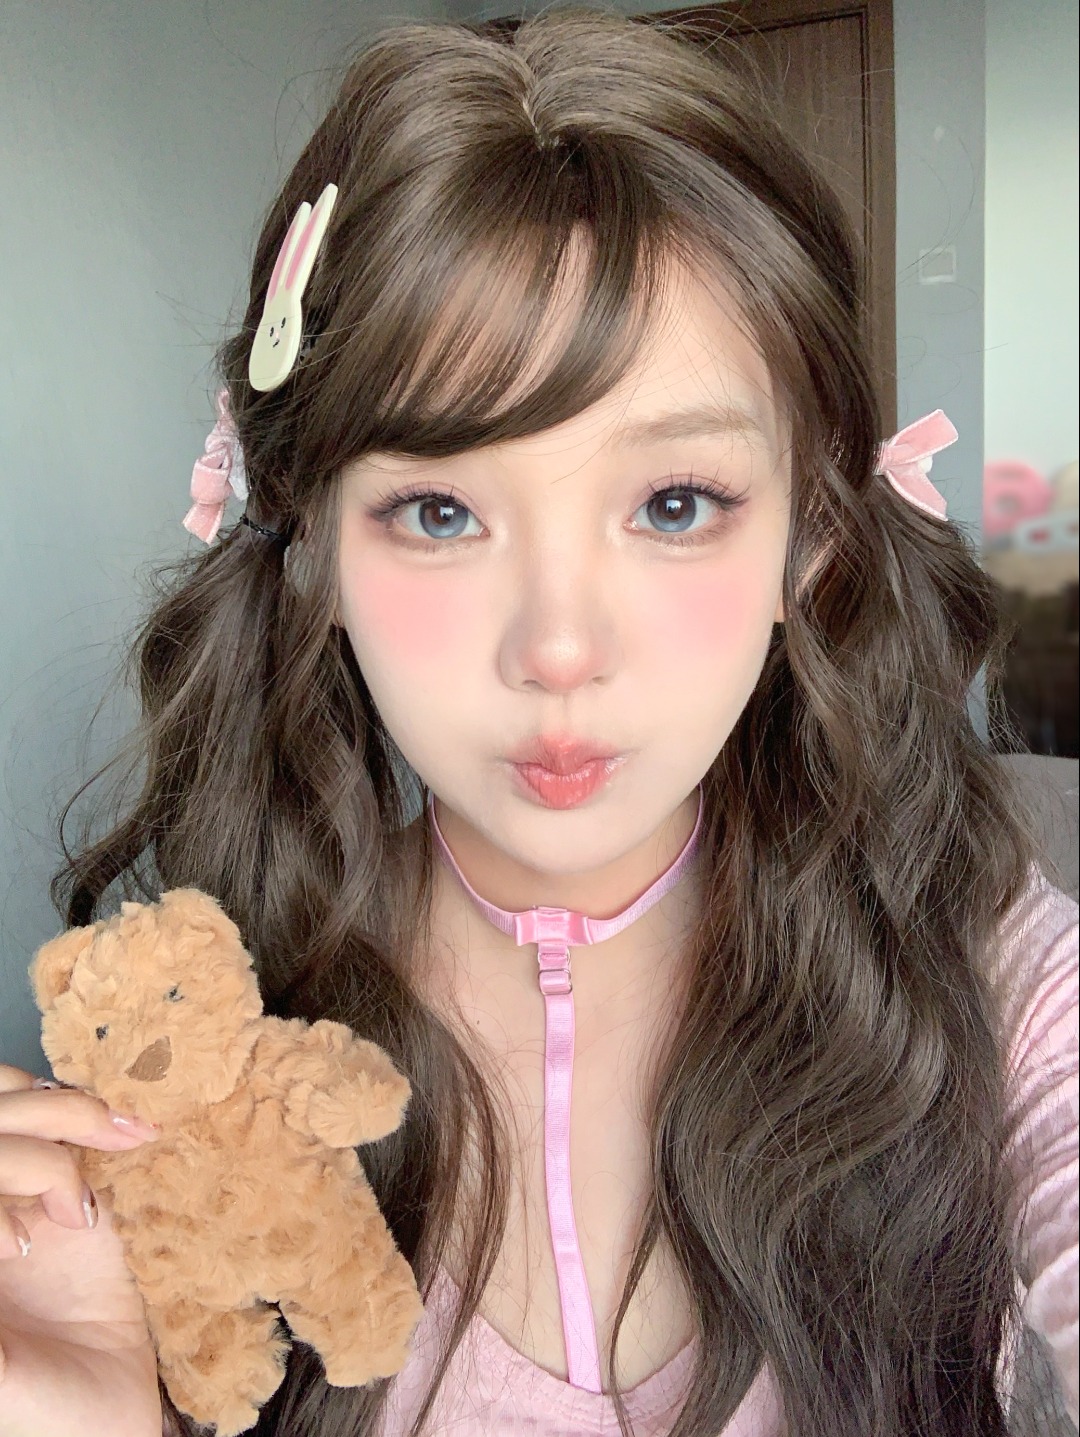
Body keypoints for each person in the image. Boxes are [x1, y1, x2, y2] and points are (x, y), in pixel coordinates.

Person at [0, 9, 1076, 1437]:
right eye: (439, 511)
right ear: (312, 546)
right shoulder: (198, 1052)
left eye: (675, 504)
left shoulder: (982, 969)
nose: (559, 649)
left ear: (810, 539)